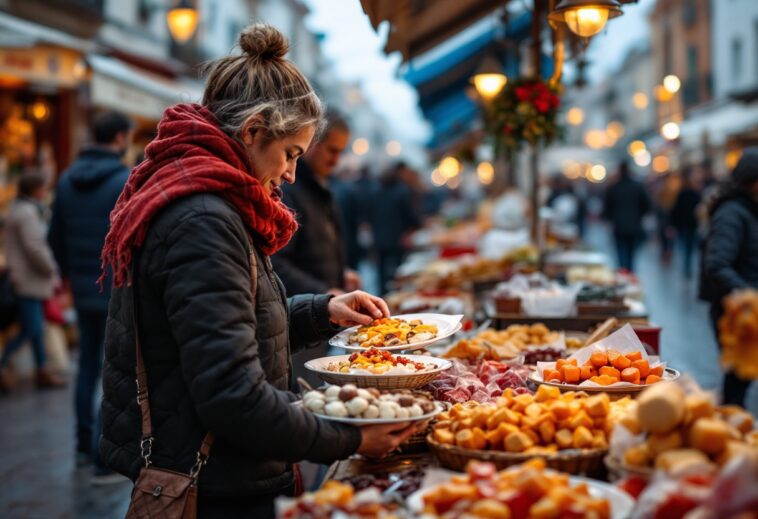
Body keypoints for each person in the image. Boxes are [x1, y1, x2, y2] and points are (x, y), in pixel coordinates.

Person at [99, 24, 421, 518]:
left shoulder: (217, 202)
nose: (292, 173)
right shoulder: (205, 220)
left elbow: (232, 328)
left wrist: (323, 311)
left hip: (225, 474)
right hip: (214, 487)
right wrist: (350, 436)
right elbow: (232, 393)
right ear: (252, 131)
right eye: (290, 153)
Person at [47, 111, 133, 476]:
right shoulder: (124, 180)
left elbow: (54, 238)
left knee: (86, 366)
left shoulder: (66, 180)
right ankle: (103, 451)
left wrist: (70, 277)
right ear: (120, 138)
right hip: (116, 286)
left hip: (82, 288)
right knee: (115, 369)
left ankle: (83, 443)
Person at [272, 110, 361, 296]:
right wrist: (324, 292)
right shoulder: (287, 190)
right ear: (312, 143)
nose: (336, 160)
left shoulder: (321, 188)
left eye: (341, 152)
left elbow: (317, 254)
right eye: (332, 150)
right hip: (303, 314)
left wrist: (340, 274)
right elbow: (275, 264)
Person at [703, 148, 758, 406]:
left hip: (746, 309)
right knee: (737, 381)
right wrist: (748, 294)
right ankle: (729, 431)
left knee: (740, 380)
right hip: (737, 312)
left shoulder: (747, 209)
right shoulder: (733, 213)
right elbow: (717, 264)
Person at [0, 173, 65, 391]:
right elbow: (35, 247)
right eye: (43, 187)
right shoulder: (27, 213)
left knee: (35, 329)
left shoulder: (20, 209)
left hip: (27, 278)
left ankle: (42, 371)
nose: (45, 191)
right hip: (29, 279)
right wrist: (51, 268)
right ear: (35, 189)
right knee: (32, 329)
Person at [368, 162, 421, 293]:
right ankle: (394, 298)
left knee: (381, 273)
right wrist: (412, 229)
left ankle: (383, 300)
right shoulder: (403, 190)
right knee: (397, 273)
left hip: (379, 239)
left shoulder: (375, 191)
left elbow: (369, 216)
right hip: (397, 239)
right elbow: (410, 215)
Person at [602, 162, 651, 272]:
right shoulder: (637, 187)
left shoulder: (614, 188)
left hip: (618, 226)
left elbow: (607, 208)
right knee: (631, 253)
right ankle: (629, 273)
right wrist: (639, 216)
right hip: (634, 225)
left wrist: (610, 218)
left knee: (621, 253)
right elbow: (647, 205)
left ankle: (624, 273)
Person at [670, 166, 703, 278]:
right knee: (689, 248)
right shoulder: (695, 194)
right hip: (691, 225)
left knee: (685, 248)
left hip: (684, 225)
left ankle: (686, 267)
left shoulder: (682, 194)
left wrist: (673, 225)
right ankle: (687, 268)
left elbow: (676, 210)